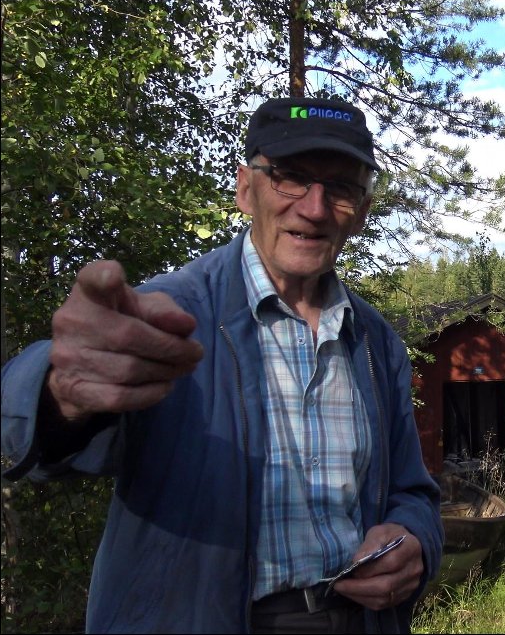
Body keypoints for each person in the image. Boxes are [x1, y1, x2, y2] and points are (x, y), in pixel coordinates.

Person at [1, 97, 444, 634]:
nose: (314, 207)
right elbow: (29, 424)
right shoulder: (170, 314)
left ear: (362, 210)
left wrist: (414, 540)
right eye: (290, 178)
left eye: (342, 187)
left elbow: (412, 490)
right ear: (244, 189)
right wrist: (60, 394)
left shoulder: (375, 341)